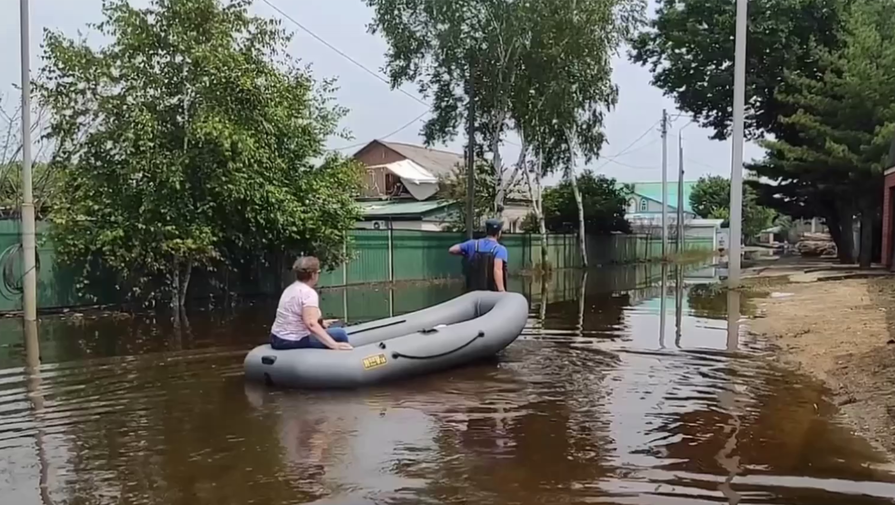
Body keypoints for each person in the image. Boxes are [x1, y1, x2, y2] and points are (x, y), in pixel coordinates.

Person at [269, 256, 353, 351]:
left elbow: (298, 317)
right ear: (313, 275)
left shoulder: (290, 289)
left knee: (334, 326)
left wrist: (321, 323)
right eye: (318, 272)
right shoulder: (308, 293)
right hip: (291, 340)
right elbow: (311, 324)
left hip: (276, 338)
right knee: (340, 334)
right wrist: (334, 345)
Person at [449, 218, 508, 292]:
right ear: (498, 233)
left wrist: (466, 253)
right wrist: (501, 290)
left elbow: (452, 250)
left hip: (472, 292)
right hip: (491, 294)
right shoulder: (499, 249)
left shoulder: (472, 244)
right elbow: (497, 270)